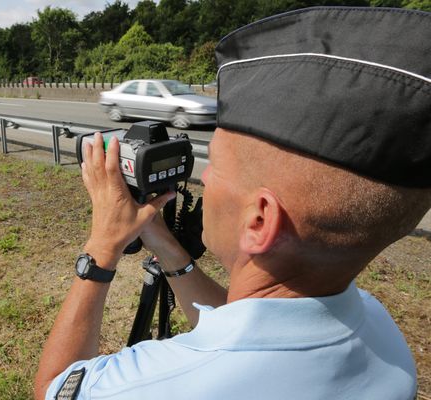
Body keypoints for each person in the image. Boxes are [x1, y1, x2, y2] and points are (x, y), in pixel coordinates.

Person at [35, 7, 431, 400]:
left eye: (217, 167)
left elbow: (54, 388)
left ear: (259, 221)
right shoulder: (381, 332)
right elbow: (246, 326)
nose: (204, 178)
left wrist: (102, 248)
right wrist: (163, 244)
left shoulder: (151, 386)